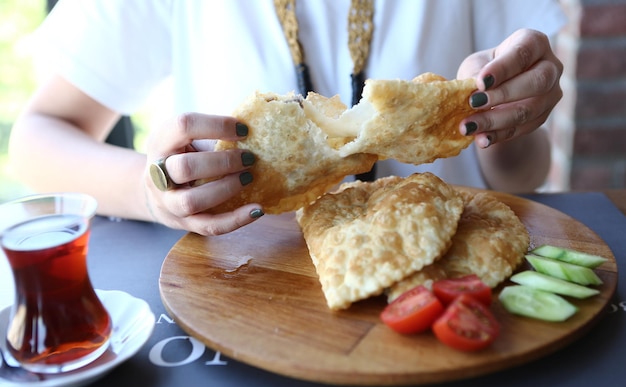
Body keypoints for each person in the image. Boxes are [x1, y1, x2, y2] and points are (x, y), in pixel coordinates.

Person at [9, 0, 565, 236]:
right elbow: (37, 139)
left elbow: (525, 173)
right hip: (244, 302)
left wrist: (497, 118)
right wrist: (149, 192)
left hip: (441, 288)